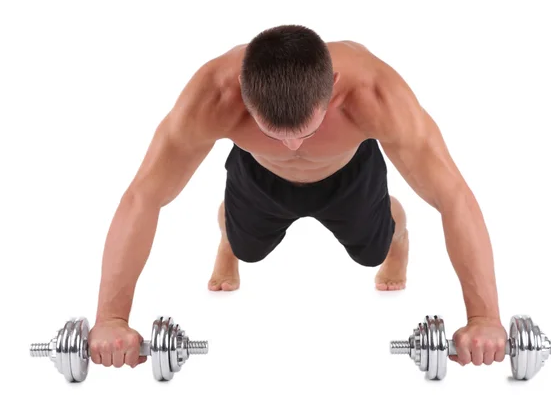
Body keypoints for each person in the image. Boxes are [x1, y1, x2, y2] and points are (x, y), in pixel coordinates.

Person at [88, 25, 507, 371]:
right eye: (274, 132)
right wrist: (110, 320)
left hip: (348, 174)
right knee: (246, 249)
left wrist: (484, 318)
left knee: (373, 253)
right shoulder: (213, 96)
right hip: (258, 175)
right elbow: (143, 195)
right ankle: (230, 230)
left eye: (305, 132)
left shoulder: (376, 94)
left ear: (334, 87)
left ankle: (396, 229)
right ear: (241, 92)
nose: (291, 146)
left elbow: (453, 195)